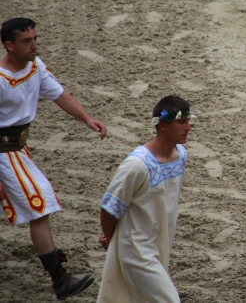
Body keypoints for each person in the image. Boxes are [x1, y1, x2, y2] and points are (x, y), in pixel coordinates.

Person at [0, 17, 105, 299]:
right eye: (26, 41)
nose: (34, 45)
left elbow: (59, 94)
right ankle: (59, 279)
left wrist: (87, 119)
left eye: (35, 38)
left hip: (17, 150)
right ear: (9, 46)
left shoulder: (35, 66)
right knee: (39, 204)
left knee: (39, 204)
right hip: (4, 153)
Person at [97, 95, 192, 303]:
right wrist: (113, 240)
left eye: (188, 120)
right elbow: (109, 208)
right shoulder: (137, 165)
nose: (189, 127)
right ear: (164, 125)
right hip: (136, 251)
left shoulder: (181, 156)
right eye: (182, 121)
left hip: (159, 245)